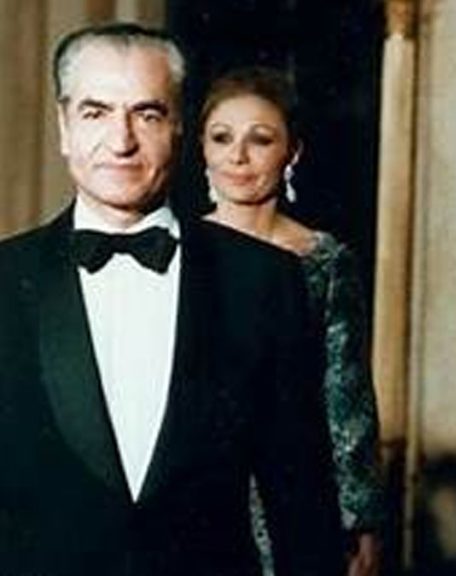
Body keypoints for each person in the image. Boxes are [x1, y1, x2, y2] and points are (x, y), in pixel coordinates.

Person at [0, 23, 347, 576]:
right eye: (96, 112)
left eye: (147, 114)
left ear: (181, 126)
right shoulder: (6, 278)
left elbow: (303, 508)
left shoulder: (264, 281)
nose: (121, 141)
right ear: (64, 127)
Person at [200, 66, 385, 576]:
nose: (238, 156)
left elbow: (346, 395)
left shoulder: (324, 260)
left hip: (293, 492)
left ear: (292, 153)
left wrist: (360, 518)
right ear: (202, 150)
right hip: (194, 491)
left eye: (260, 140)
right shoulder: (177, 253)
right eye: (221, 138)